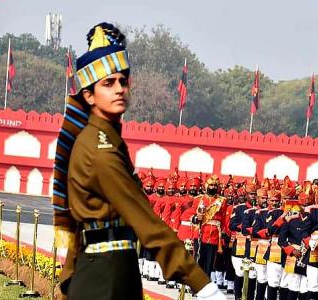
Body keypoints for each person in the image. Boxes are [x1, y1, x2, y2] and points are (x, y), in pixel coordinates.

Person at [51, 22, 224, 300]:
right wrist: (201, 284)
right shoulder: (100, 150)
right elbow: (143, 218)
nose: (119, 88)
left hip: (109, 272)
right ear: (89, 95)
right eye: (108, 83)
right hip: (105, 280)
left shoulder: (105, 140)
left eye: (123, 80)